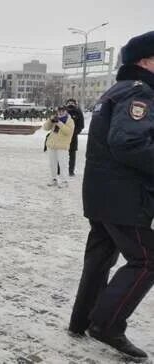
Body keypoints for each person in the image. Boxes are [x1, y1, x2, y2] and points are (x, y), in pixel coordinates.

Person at [69, 31, 154, 361]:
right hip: (125, 196)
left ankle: (81, 319)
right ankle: (107, 324)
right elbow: (128, 143)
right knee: (147, 259)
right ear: (145, 62)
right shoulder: (141, 93)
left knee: (100, 257)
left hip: (102, 194)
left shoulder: (115, 91)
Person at [42, 107, 75, 188]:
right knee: (52, 164)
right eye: (59, 111)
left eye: (62, 111)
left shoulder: (69, 120)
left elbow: (68, 132)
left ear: (66, 111)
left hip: (62, 145)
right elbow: (45, 128)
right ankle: (54, 179)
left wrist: (59, 123)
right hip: (52, 144)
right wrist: (50, 120)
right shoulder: (55, 119)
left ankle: (64, 181)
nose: (60, 112)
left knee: (63, 164)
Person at [65, 99, 84, 176]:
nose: (71, 104)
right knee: (61, 153)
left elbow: (81, 125)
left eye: (72, 103)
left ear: (75, 104)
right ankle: (59, 170)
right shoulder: (63, 111)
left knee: (72, 154)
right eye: (69, 103)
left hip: (73, 137)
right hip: (63, 136)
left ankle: (71, 171)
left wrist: (74, 132)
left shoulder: (78, 112)